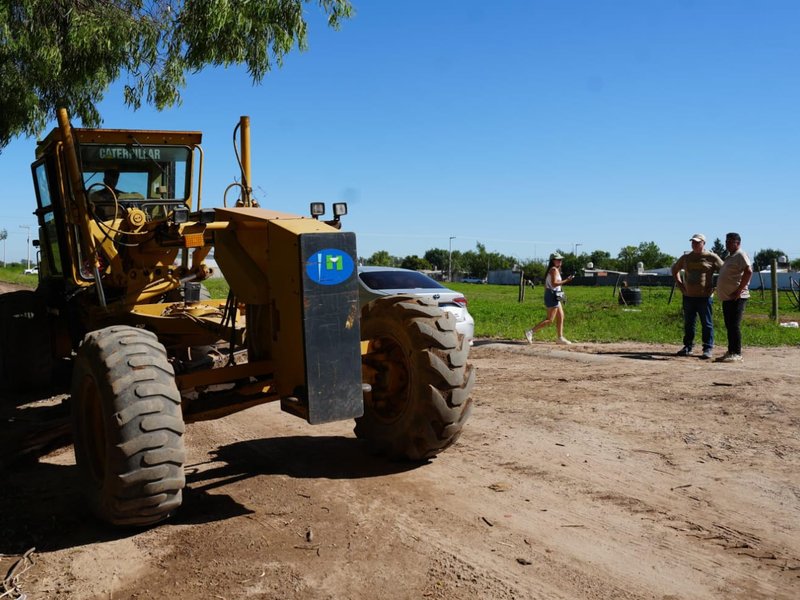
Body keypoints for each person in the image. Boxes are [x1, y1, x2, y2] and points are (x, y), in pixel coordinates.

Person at [671, 233, 723, 359]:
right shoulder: (686, 257)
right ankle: (688, 347)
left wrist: (716, 286)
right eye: (693, 242)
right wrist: (680, 285)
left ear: (703, 243)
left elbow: (724, 270)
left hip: (705, 297)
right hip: (688, 296)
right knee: (689, 323)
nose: (694, 244)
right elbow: (674, 269)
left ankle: (707, 348)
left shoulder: (711, 257)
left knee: (707, 323)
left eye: (697, 242)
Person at [715, 232, 753, 362]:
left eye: (730, 241)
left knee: (734, 325)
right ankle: (731, 351)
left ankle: (737, 353)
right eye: (726, 241)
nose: (727, 244)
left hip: (738, 297)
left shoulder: (740, 255)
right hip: (727, 298)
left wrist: (738, 291)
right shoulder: (730, 257)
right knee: (729, 325)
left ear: (738, 243)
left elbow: (748, 271)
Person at [524, 253, 575, 345]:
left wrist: (562, 297)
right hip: (552, 295)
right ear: (553, 261)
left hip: (553, 294)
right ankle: (530, 331)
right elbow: (555, 283)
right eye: (558, 259)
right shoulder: (554, 270)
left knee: (561, 316)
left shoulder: (555, 270)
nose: (560, 261)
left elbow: (554, 286)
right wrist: (567, 280)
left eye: (560, 260)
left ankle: (560, 337)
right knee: (550, 319)